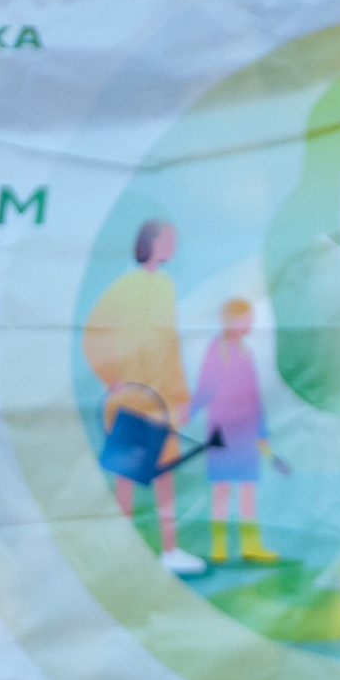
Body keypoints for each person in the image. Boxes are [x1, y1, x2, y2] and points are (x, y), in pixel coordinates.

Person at [82, 218, 206, 576]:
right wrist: (113, 379)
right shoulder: (125, 286)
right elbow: (93, 333)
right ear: (150, 242)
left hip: (162, 400)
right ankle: (123, 554)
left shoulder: (166, 286)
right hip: (133, 400)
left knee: (164, 472)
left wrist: (181, 396)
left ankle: (169, 550)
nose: (173, 245)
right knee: (127, 475)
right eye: (168, 238)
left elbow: (170, 344)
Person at [194, 297, 280, 564]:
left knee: (247, 491)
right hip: (221, 431)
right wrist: (187, 412)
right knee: (221, 489)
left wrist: (262, 433)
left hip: (247, 433)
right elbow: (205, 387)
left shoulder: (246, 351)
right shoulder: (215, 349)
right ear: (233, 319)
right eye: (247, 319)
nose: (251, 324)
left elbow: (254, 396)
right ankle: (218, 545)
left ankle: (250, 545)